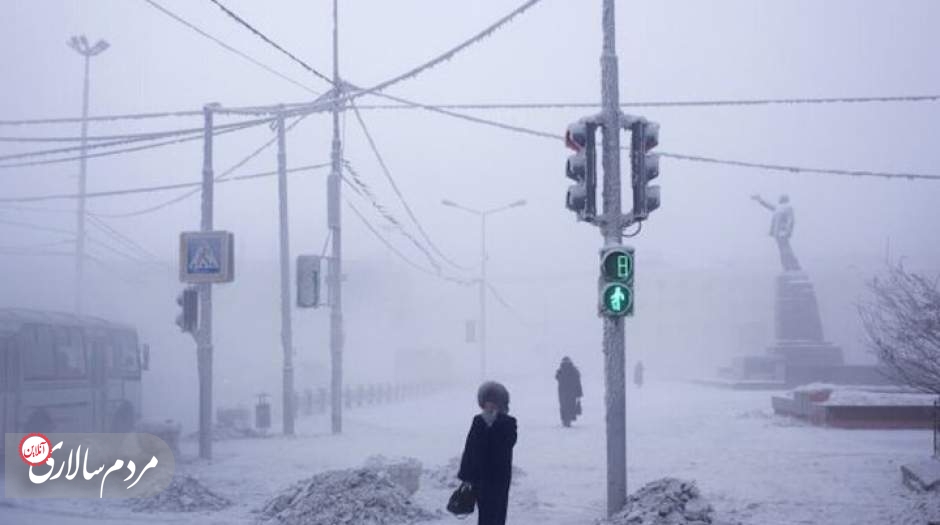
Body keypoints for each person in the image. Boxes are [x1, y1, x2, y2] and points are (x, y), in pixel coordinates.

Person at [458, 381, 517, 525]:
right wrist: (466, 475)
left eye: (493, 402)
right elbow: (470, 447)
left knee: (498, 511)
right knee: (484, 512)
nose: (490, 405)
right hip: (480, 477)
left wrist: (495, 424)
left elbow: (508, 443)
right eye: (487, 402)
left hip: (500, 477)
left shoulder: (508, 422)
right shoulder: (478, 421)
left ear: (500, 403)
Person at [555, 357, 582, 427]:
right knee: (570, 406)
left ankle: (565, 420)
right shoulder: (574, 371)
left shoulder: (561, 370)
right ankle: (568, 420)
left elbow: (557, 377)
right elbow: (578, 383)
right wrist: (579, 393)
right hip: (571, 392)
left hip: (563, 393)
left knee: (564, 406)